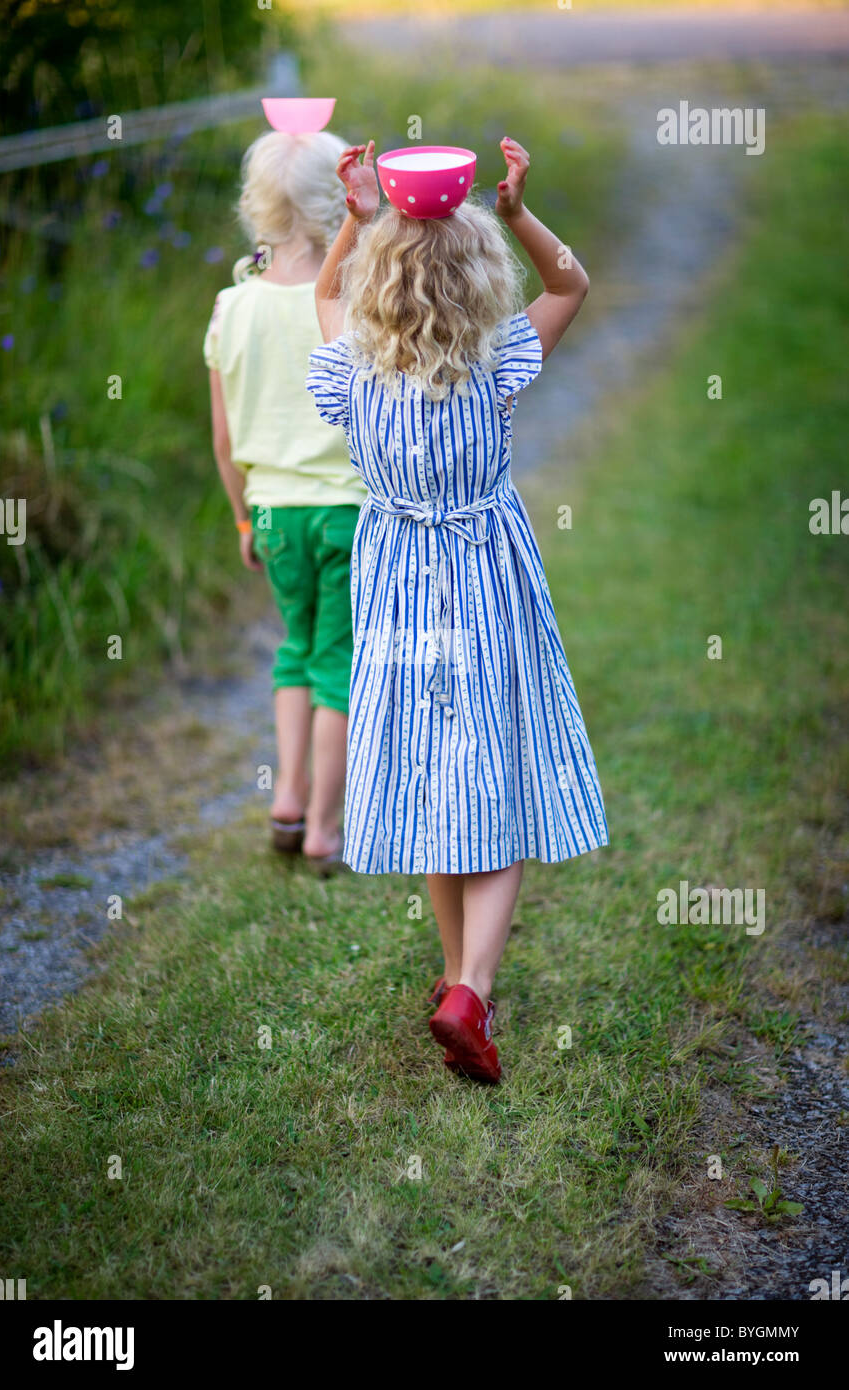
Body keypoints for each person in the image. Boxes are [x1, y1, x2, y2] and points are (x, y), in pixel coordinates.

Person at [305, 137, 608, 1079]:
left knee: (438, 773)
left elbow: (323, 299)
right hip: (484, 579)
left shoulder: (355, 366)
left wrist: (355, 219)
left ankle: (454, 982)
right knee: (498, 774)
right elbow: (571, 284)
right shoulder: (495, 359)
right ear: (480, 273)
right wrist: (517, 209)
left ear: (380, 276)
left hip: (397, 584)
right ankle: (471, 990)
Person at [203, 128, 366, 868]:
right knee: (338, 662)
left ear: (255, 209)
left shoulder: (231, 308)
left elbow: (224, 433)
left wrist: (244, 514)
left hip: (271, 512)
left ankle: (288, 798)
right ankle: (327, 831)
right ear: (337, 205)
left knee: (295, 652)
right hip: (345, 511)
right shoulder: (349, 303)